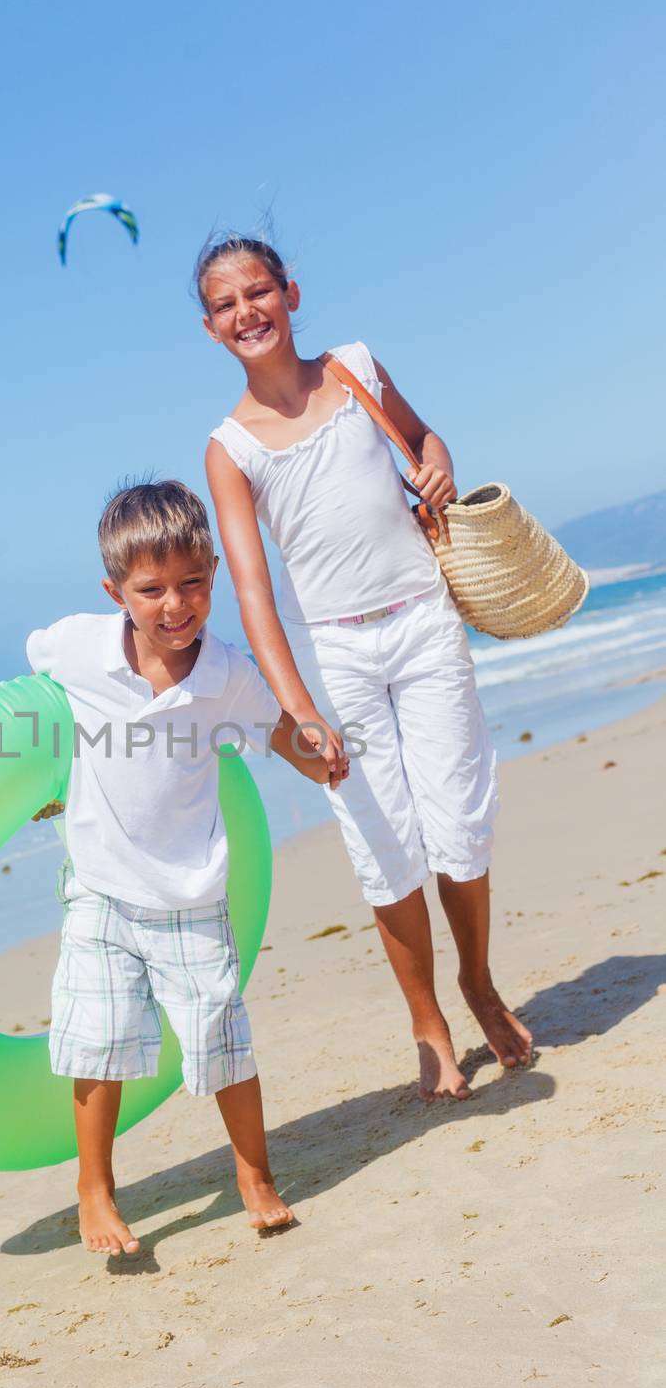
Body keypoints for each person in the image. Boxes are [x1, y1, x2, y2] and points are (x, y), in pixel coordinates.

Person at [198, 232, 533, 1103]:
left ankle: (479, 983)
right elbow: (255, 599)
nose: (247, 312)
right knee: (384, 849)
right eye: (226, 304)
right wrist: (298, 708)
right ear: (209, 328)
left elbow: (426, 444)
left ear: (291, 294)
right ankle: (427, 1023)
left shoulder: (352, 368)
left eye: (258, 292)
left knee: (458, 825)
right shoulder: (230, 450)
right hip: (340, 656)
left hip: (423, 621)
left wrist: (434, 474)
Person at [27, 479, 328, 1256]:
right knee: (98, 1039)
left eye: (192, 583)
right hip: (98, 882)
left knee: (220, 1035)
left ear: (214, 575)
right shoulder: (75, 645)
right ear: (114, 592)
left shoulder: (223, 673)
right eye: (150, 589)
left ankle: (254, 1175)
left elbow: (273, 730)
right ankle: (94, 1191)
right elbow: (28, 694)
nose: (174, 605)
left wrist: (320, 760)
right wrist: (34, 782)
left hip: (190, 886)